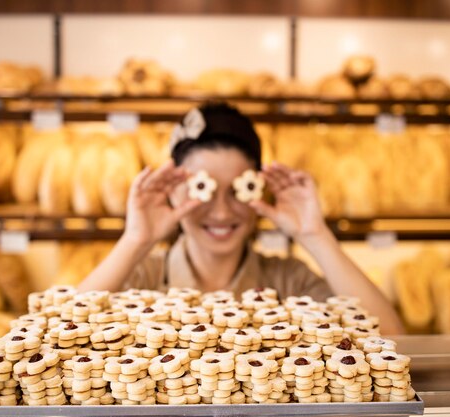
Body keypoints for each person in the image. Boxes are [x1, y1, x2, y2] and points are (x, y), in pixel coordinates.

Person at [79, 102, 404, 334]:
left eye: (238, 190)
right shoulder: (140, 280)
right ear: (175, 190)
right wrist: (136, 240)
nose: (221, 212)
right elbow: (61, 335)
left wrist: (315, 235)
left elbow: (392, 343)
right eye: (203, 190)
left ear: (258, 190)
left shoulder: (290, 282)